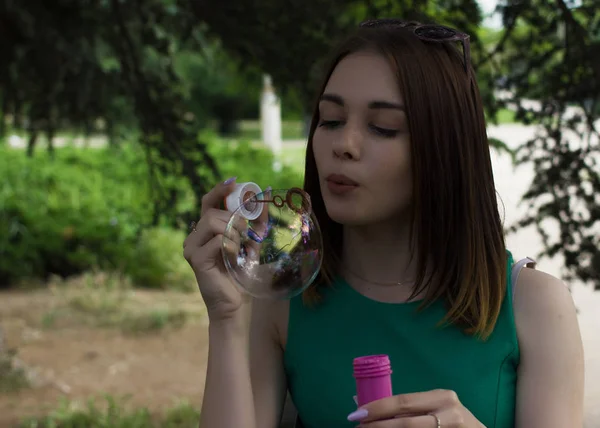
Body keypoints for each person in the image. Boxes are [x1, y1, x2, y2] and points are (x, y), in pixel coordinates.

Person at [183, 18, 585, 428]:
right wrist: (227, 317)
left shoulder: (534, 306)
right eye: (331, 120)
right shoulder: (286, 302)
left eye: (382, 127)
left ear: (445, 149)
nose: (344, 145)